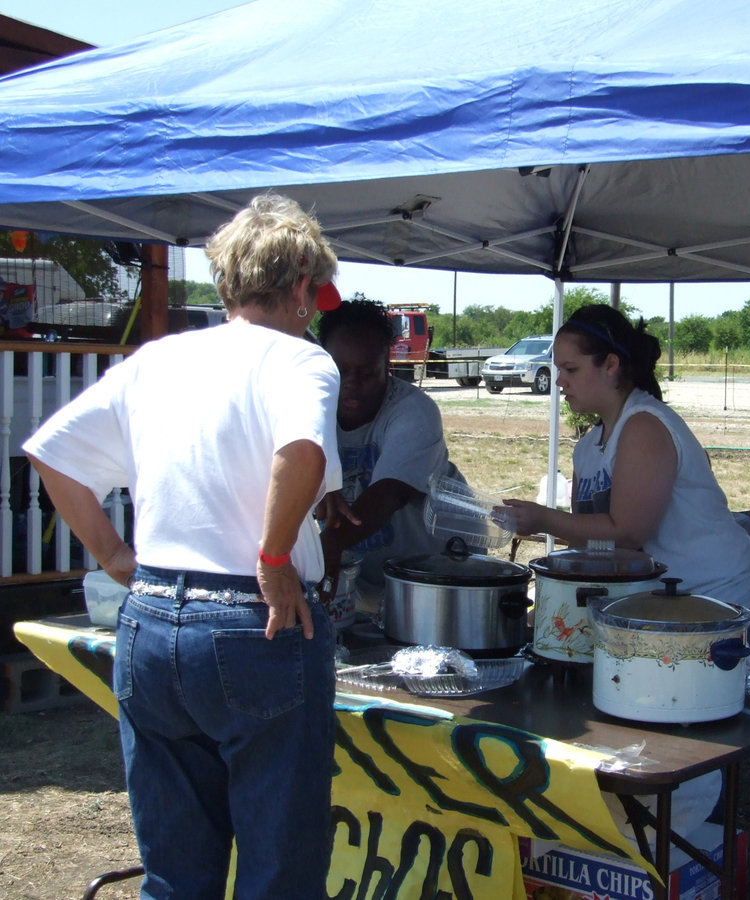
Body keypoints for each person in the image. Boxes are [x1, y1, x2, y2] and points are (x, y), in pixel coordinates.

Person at [23, 193, 343, 900]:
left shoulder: (158, 359)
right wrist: (274, 556)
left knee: (174, 876)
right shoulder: (300, 360)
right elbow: (302, 451)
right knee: (279, 874)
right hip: (252, 626)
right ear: (298, 288)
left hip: (152, 618)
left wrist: (113, 557)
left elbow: (52, 457)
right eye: (312, 294)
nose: (312, 308)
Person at [501, 303, 750, 634]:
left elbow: (626, 534)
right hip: (660, 604)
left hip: (717, 601)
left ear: (610, 364)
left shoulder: (644, 426)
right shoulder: (588, 447)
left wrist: (541, 518)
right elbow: (594, 546)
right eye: (558, 370)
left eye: (571, 369)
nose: (560, 382)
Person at [315, 299, 470, 612]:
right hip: (360, 578)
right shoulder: (311, 409)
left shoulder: (414, 412)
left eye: (368, 373)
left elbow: (390, 494)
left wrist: (326, 546)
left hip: (437, 578)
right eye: (340, 371)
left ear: (387, 365)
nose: (353, 386)